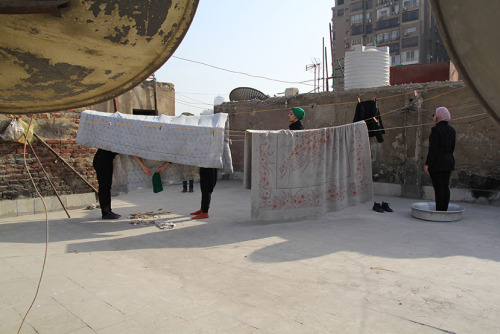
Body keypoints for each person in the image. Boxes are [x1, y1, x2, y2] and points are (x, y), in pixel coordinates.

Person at [425, 107, 456, 211]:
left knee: (438, 187)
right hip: (448, 161)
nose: (433, 116)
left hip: (437, 162)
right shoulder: (452, 130)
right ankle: (444, 209)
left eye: (435, 114)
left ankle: (439, 211)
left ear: (439, 115)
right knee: (445, 186)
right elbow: (452, 148)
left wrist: (427, 164)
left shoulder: (436, 130)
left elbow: (433, 149)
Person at [93, 148, 121, 219]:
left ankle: (108, 210)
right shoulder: (110, 142)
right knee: (104, 186)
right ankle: (106, 212)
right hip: (102, 162)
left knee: (106, 186)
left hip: (105, 161)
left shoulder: (110, 141)